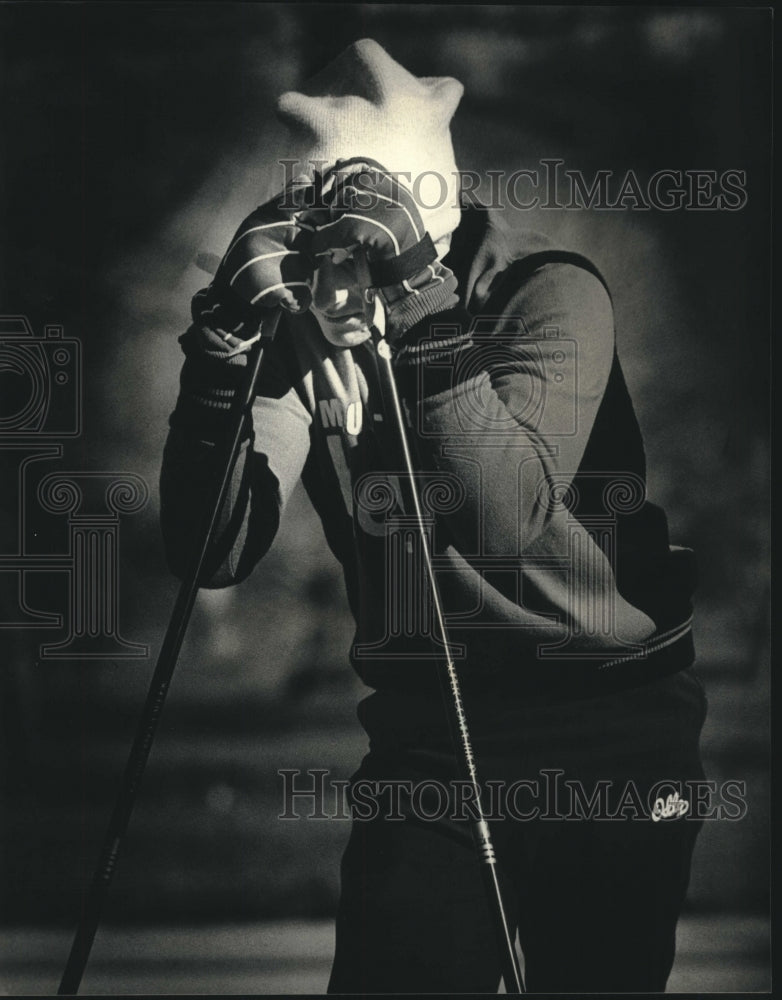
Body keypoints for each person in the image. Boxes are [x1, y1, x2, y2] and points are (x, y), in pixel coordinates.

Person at [160, 39, 707, 994]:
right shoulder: (313, 327)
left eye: (361, 214)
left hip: (612, 721)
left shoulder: (550, 291)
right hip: (432, 736)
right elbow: (213, 547)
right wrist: (223, 352)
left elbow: (500, 517)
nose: (341, 253)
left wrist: (414, 303)